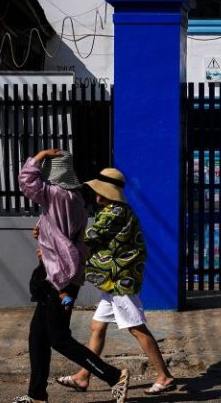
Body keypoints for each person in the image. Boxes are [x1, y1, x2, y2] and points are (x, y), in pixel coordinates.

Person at [13, 150, 129, 403]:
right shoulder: (73, 197)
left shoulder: (55, 193)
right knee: (38, 336)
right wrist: (43, 235)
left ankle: (113, 375)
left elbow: (26, 181)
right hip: (58, 273)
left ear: (53, 173)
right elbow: (61, 231)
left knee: (59, 338)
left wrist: (40, 155)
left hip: (59, 277)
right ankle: (37, 395)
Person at [55, 167, 176, 396]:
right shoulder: (116, 210)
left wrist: (53, 240)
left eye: (98, 190)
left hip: (120, 281)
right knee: (97, 326)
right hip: (113, 282)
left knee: (137, 328)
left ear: (105, 192)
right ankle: (83, 376)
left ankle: (164, 376)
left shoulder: (114, 213)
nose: (95, 193)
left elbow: (89, 238)